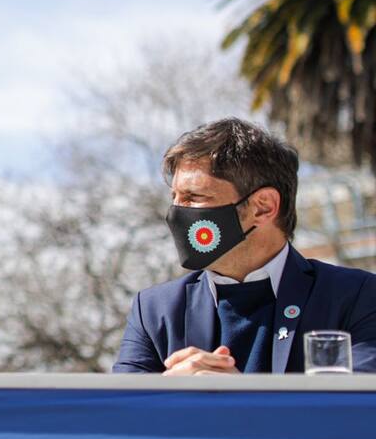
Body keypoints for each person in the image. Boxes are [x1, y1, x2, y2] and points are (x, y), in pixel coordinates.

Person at [113, 117, 376, 374]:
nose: (176, 212)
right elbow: (120, 415)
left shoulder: (356, 297)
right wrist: (169, 397)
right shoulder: (154, 310)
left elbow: (360, 411)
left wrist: (243, 404)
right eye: (175, 198)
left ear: (263, 207)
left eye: (194, 197)